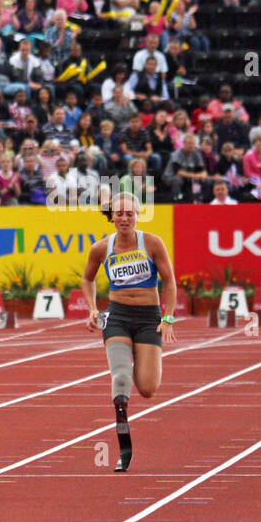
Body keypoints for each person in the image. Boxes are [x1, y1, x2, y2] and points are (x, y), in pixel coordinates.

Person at [81, 192, 177, 473]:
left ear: (137, 215)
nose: (124, 218)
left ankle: (141, 356)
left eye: (129, 213)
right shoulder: (101, 248)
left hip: (149, 319)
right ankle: (124, 442)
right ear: (112, 216)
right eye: (119, 214)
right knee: (121, 378)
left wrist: (168, 317)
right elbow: (87, 278)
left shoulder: (152, 243)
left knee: (147, 389)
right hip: (118, 317)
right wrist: (91, 309)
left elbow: (170, 282)